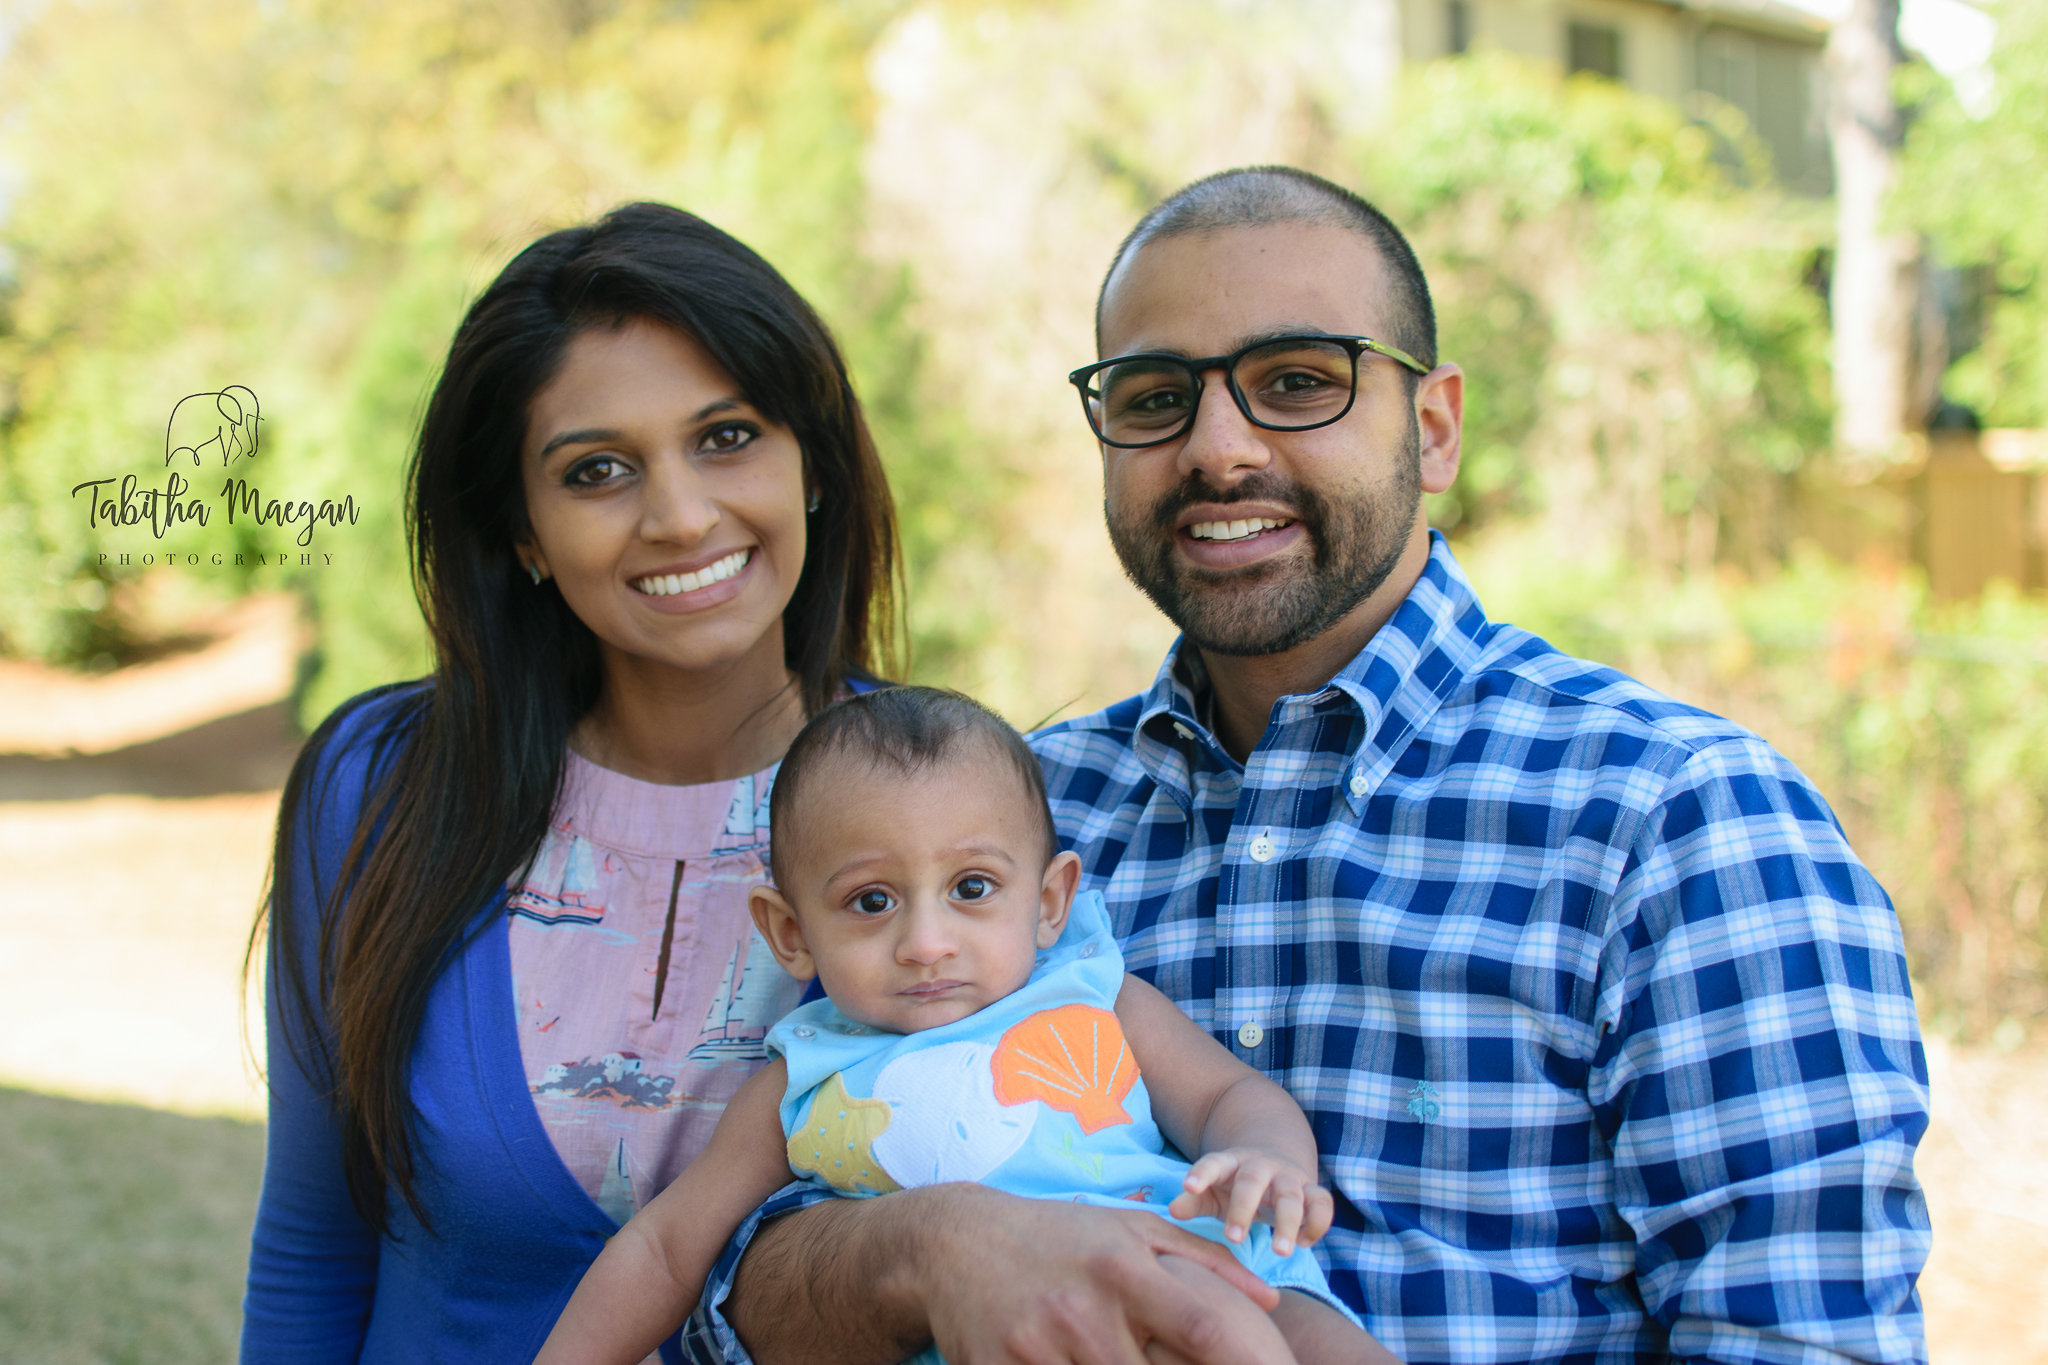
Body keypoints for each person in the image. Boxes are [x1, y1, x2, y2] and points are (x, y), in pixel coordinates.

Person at [698, 167, 1932, 1365]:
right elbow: (737, 1284)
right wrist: (920, 1250)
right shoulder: (992, 825)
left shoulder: (1675, 822)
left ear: (1432, 425)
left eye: (1297, 382)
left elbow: (1797, 1337)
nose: (1218, 449)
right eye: (1151, 398)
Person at [239, 201, 906, 1363]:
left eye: (728, 436)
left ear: (815, 468)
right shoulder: (376, 788)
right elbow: (313, 1239)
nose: (680, 515)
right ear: (524, 534)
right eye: (597, 470)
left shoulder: (951, 796)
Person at [534, 687, 1398, 1365]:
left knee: (1302, 1340)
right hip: (963, 1327)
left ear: (1051, 898)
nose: (926, 942)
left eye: (973, 888)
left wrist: (1268, 1162)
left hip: (1187, 1257)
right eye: (871, 902)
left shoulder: (1091, 996)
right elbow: (663, 1249)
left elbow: (1228, 1093)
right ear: (791, 933)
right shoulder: (802, 1079)